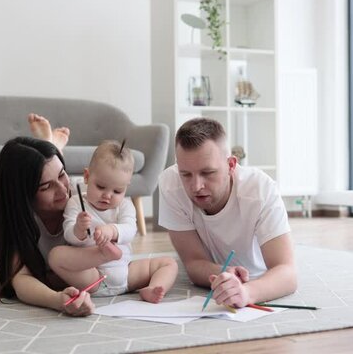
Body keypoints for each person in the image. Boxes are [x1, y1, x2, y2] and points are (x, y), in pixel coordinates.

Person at [0, 113, 116, 316]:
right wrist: (57, 300)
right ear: (23, 195)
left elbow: (99, 271)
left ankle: (52, 145)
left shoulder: (82, 197)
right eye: (46, 186)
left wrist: (5, 281)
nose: (63, 192)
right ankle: (50, 145)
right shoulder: (19, 218)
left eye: (62, 174)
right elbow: (23, 278)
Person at [158, 117, 297, 309]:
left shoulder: (260, 190)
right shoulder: (170, 183)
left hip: (257, 277)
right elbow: (193, 262)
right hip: (225, 273)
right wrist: (225, 273)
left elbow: (287, 273)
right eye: (186, 174)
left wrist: (246, 293)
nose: (196, 186)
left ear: (231, 165)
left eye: (208, 173)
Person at [49, 140, 178, 303]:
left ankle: (153, 288)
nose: (108, 195)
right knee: (56, 256)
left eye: (117, 191)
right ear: (87, 177)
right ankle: (102, 254)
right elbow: (69, 234)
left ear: (126, 187)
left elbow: (130, 230)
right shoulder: (75, 203)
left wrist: (112, 231)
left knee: (169, 263)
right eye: (101, 187)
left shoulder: (125, 205)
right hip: (92, 275)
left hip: (126, 273)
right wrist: (78, 229)